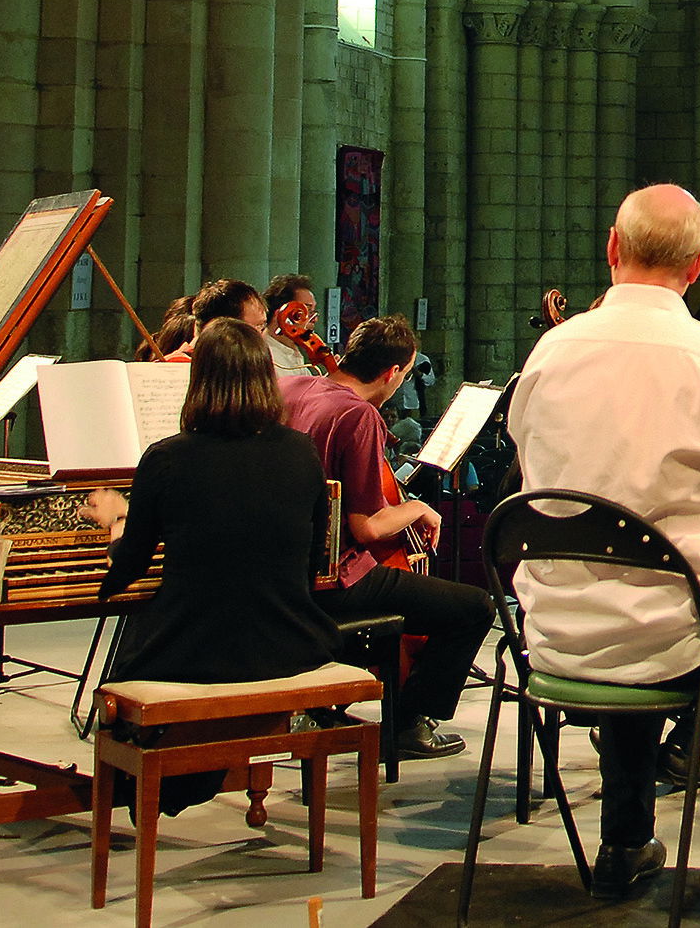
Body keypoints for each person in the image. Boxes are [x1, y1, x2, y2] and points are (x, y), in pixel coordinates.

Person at [510, 185, 700, 916]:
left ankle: (622, 844)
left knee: (630, 604)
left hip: (554, 633)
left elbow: (531, 484)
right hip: (681, 639)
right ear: (698, 264)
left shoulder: (549, 354)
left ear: (612, 249)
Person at [81, 318, 343, 806]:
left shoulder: (166, 458)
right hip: (291, 641)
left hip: (195, 650)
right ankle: (191, 777)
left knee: (120, 678)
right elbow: (309, 564)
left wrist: (116, 523)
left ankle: (144, 788)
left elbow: (128, 571)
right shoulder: (302, 452)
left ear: (197, 380)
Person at [279, 316, 491, 761]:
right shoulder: (357, 415)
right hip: (335, 576)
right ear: (392, 372)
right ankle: (407, 722)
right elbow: (368, 527)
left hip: (284, 569)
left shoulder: (295, 388)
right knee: (474, 608)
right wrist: (417, 508)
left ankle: (324, 704)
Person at [265, 272, 325, 370]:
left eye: (313, 311)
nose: (315, 319)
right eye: (306, 311)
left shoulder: (293, 352)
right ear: (281, 313)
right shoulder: (266, 358)